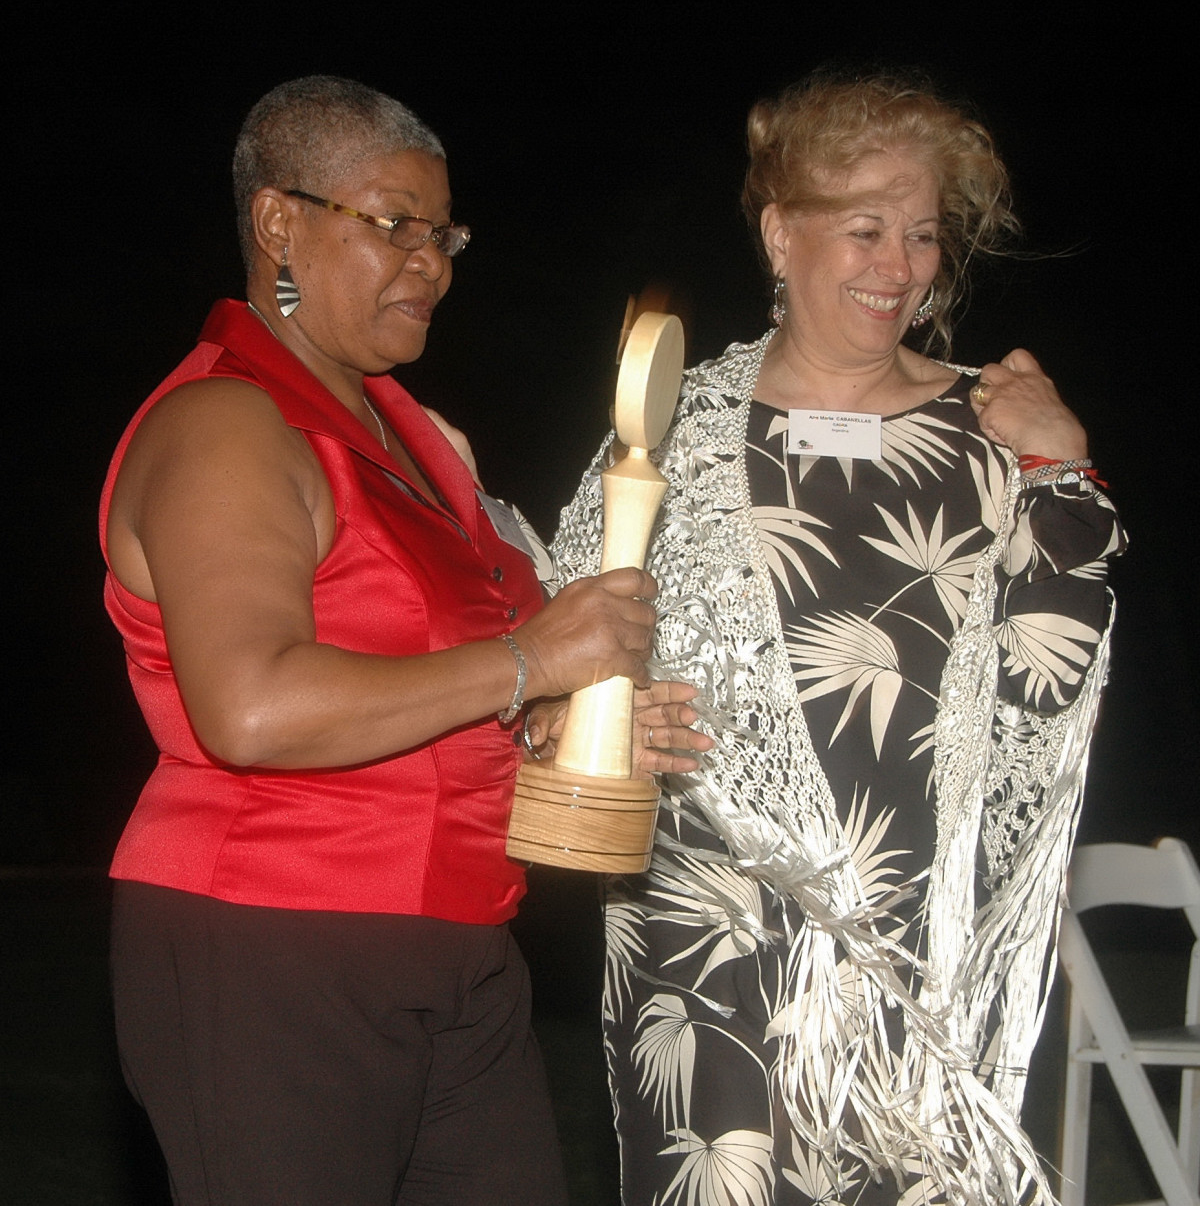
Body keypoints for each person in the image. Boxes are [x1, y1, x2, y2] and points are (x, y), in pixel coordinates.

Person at [100, 75, 706, 1206]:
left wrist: (557, 726)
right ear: (280, 222)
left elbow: (437, 682)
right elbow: (253, 708)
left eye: (445, 235)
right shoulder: (225, 421)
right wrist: (535, 659)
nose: (432, 264)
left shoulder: (412, 438)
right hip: (271, 940)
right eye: (395, 225)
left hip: (462, 944)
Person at [550, 72, 1126, 1204]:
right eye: (865, 228)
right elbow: (564, 636)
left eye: (923, 234)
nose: (898, 266)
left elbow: (1051, 681)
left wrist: (1063, 469)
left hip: (917, 950)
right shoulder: (679, 427)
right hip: (708, 933)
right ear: (781, 233)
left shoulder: (992, 427)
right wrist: (601, 718)